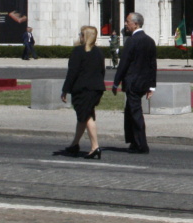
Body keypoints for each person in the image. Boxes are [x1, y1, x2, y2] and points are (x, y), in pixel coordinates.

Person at [112, 12, 157, 154]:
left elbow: (123, 64)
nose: (125, 24)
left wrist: (115, 83)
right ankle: (132, 141)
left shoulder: (131, 41)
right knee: (129, 111)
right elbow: (152, 65)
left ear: (136, 24)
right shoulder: (150, 40)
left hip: (133, 83)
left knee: (135, 113)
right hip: (143, 83)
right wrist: (152, 86)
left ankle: (141, 145)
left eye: (127, 21)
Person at [61, 25, 106, 159]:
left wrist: (65, 90)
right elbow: (102, 71)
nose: (79, 36)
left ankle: (95, 147)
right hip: (96, 89)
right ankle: (74, 144)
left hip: (82, 89)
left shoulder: (78, 51)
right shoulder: (99, 52)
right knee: (84, 115)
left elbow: (72, 72)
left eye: (81, 34)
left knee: (87, 117)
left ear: (85, 36)